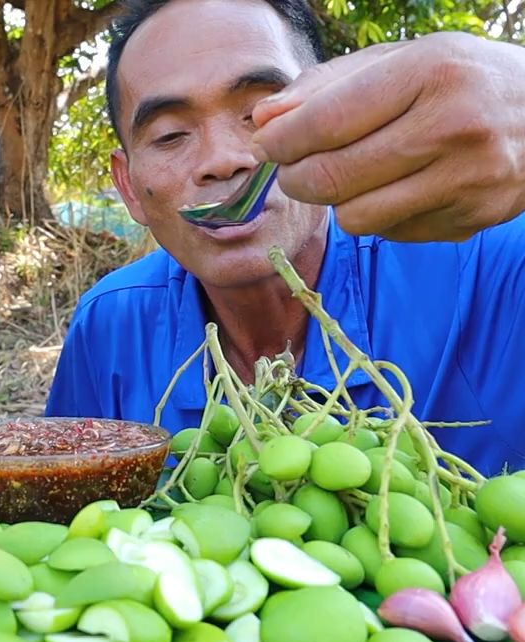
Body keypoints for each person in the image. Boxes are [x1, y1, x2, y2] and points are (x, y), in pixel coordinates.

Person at [45, 0, 525, 476]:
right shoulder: (107, 328)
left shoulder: (491, 267)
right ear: (129, 187)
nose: (223, 159)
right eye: (171, 135)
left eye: (259, 112)